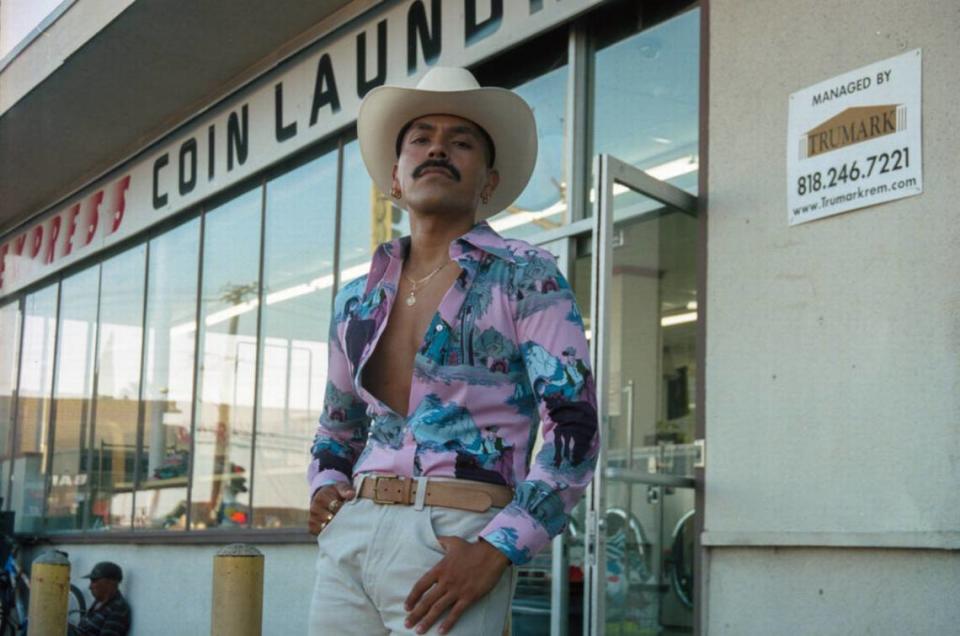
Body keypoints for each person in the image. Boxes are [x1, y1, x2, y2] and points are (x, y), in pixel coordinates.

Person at [307, 66, 598, 635]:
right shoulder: (356, 300)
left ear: (487, 184)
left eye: (460, 142)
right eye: (422, 138)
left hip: (458, 535)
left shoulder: (525, 275)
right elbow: (337, 428)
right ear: (395, 178)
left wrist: (498, 550)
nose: (438, 148)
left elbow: (574, 427)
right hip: (353, 538)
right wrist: (323, 485)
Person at [76, 561, 131, 636]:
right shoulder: (99, 601)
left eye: (94, 581)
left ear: (110, 583)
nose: (90, 587)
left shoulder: (118, 608)